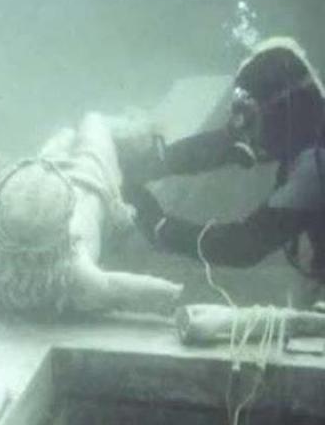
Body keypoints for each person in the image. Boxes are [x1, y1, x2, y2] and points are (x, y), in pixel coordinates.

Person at [122, 37, 325, 305]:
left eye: (250, 117)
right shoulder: (308, 136)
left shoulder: (315, 166)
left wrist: (162, 228)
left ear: (281, 113)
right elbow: (225, 144)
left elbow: (244, 246)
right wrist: (151, 164)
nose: (244, 129)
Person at [0, 112, 182, 319]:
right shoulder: (76, 277)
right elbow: (121, 288)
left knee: (65, 136)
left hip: (56, 177)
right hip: (89, 178)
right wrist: (173, 295)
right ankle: (136, 129)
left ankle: (85, 134)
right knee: (93, 121)